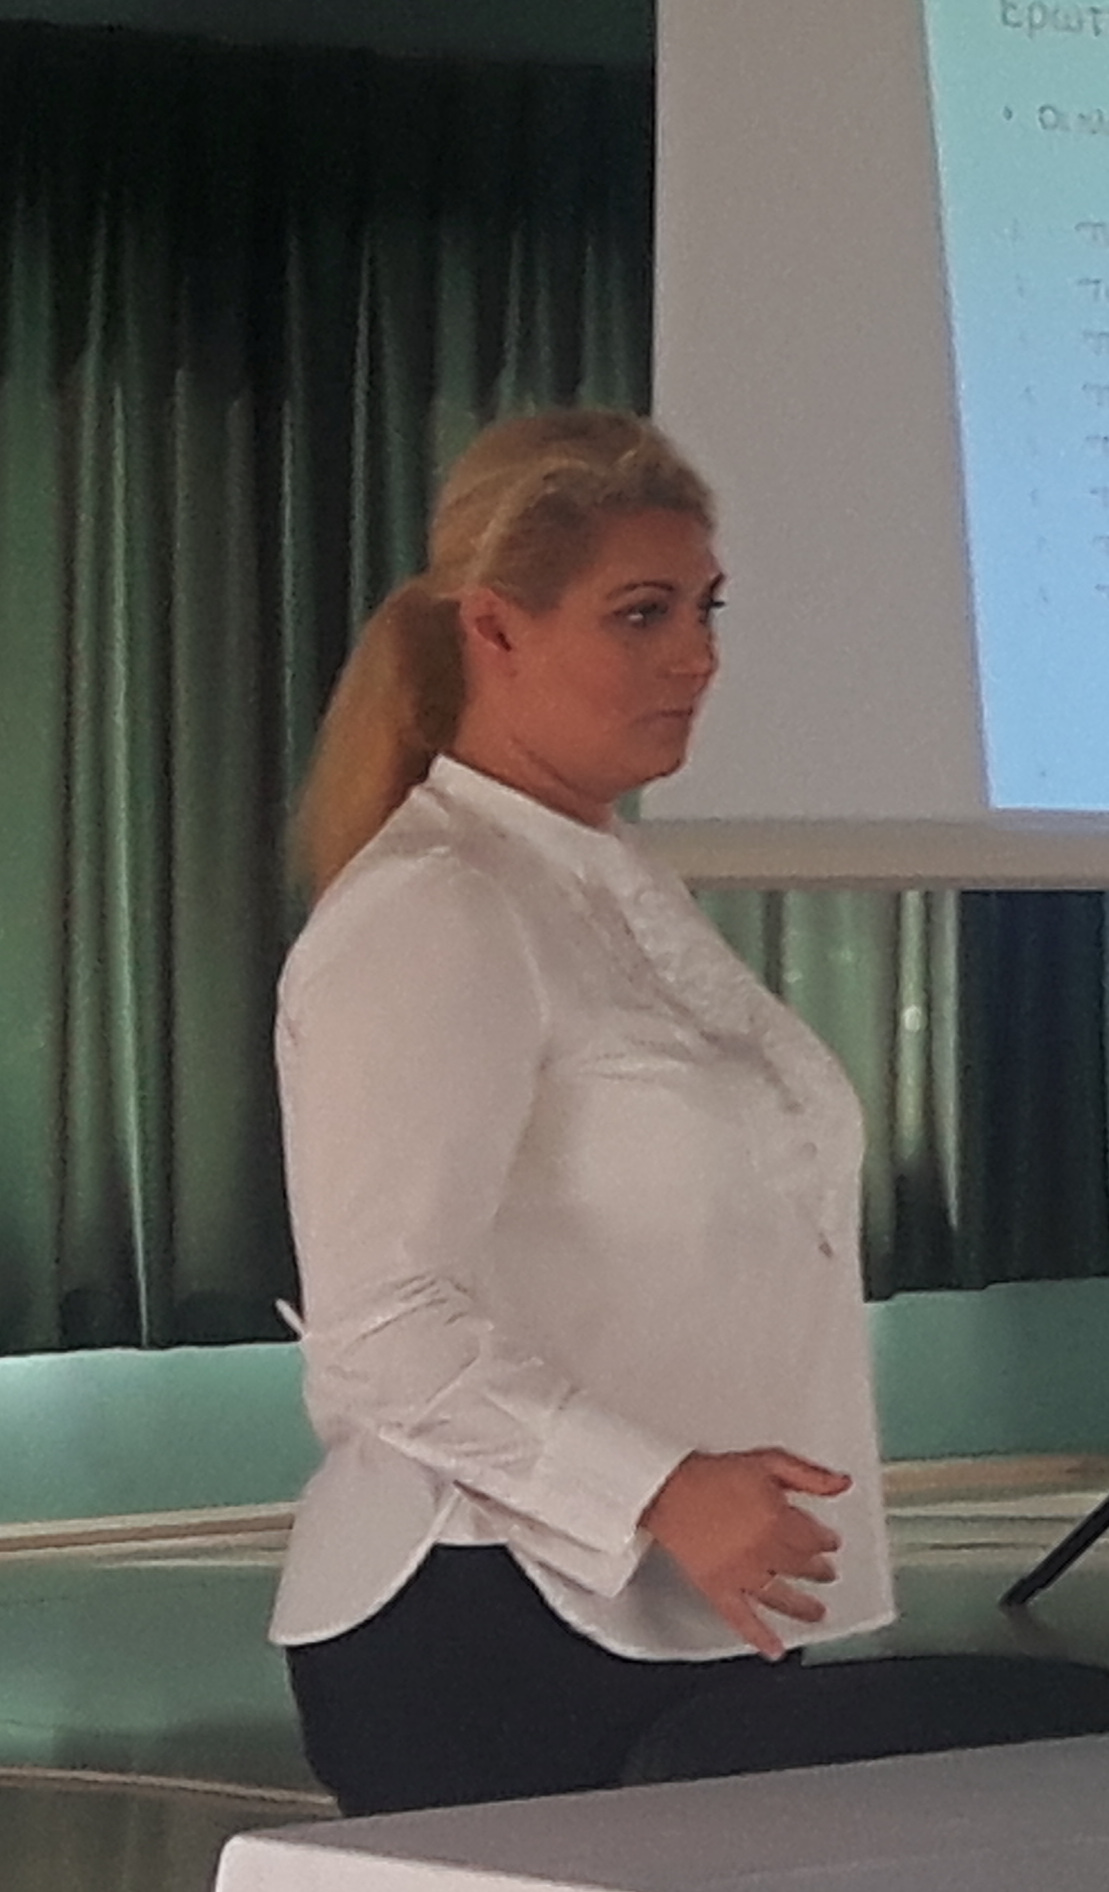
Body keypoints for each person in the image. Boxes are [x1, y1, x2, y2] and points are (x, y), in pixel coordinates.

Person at [268, 408, 892, 1814]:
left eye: (707, 610)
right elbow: (379, 1328)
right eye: (641, 614)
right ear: (495, 628)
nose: (698, 657)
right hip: (488, 1618)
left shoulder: (609, 885)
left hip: (692, 1601)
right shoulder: (437, 908)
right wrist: (659, 1487)